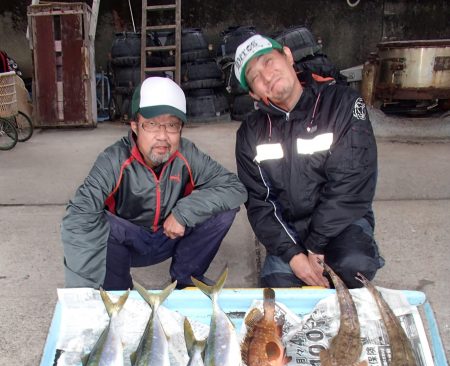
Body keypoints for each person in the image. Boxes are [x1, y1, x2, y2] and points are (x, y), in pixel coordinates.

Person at [61, 76, 247, 290]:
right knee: (99, 222)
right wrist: (81, 293)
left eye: (172, 125)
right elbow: (78, 217)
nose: (162, 136)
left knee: (223, 210)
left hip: (170, 235)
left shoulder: (187, 154)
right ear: (135, 127)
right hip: (129, 242)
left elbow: (234, 188)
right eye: (151, 124)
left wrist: (183, 212)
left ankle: (186, 280)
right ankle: (118, 292)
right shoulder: (113, 160)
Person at [234, 34, 384, 289]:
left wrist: (315, 246)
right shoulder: (250, 133)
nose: (267, 76)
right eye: (255, 76)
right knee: (277, 293)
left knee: (354, 265)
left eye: (268, 61)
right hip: (290, 233)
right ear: (254, 94)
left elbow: (351, 184)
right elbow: (261, 204)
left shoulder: (342, 103)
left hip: (341, 225)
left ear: (288, 56)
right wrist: (293, 256)